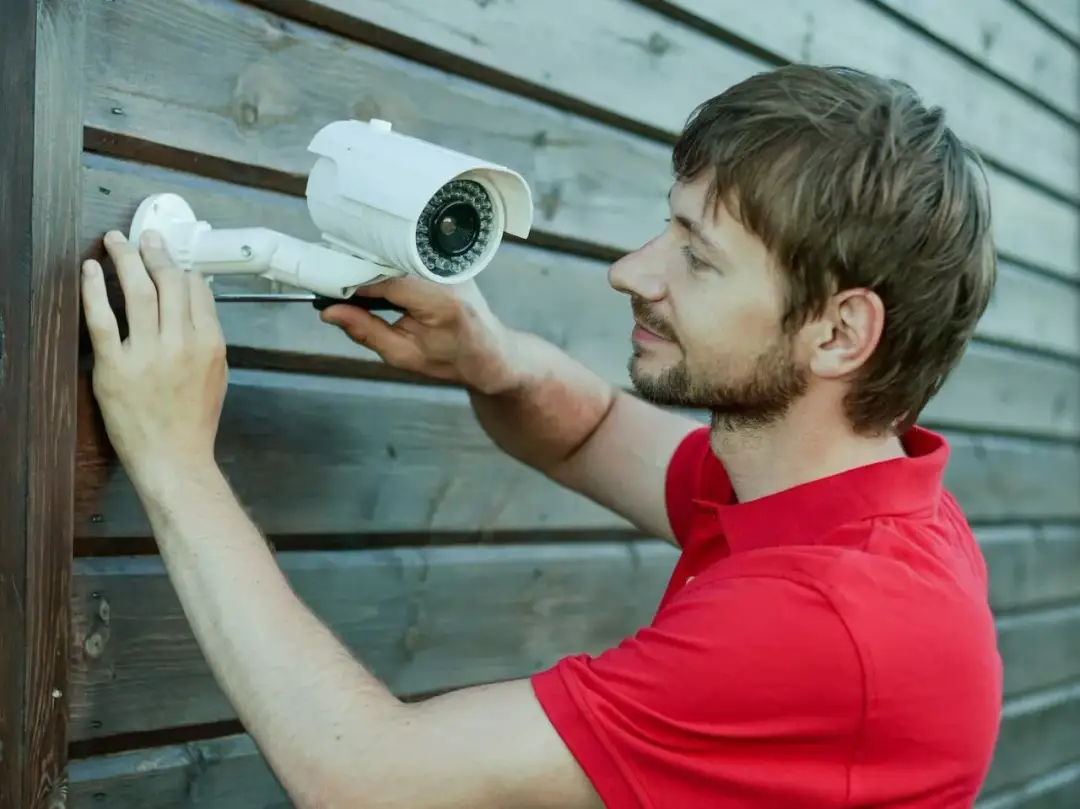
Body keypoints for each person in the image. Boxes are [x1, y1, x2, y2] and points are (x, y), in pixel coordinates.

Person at [80, 64, 1003, 808]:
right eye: (667, 225)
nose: (631, 271)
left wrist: (175, 461)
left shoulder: (828, 622)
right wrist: (493, 360)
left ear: (839, 332)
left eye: (697, 255)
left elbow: (367, 778)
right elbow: (591, 431)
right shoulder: (832, 499)